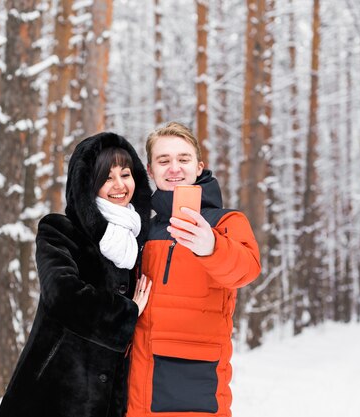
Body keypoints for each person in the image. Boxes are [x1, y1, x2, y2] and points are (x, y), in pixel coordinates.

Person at [0, 132, 153, 417]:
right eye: (107, 177)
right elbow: (63, 295)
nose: (119, 185)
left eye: (125, 174)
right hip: (52, 393)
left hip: (108, 402)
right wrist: (125, 311)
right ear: (87, 184)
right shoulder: (59, 231)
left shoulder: (139, 244)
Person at [125, 122, 261, 417]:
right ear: (150, 170)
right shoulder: (141, 228)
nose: (174, 168)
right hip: (136, 381)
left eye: (183, 159)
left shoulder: (225, 223)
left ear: (199, 166)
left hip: (191, 384)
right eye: (164, 160)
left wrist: (210, 246)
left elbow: (246, 269)